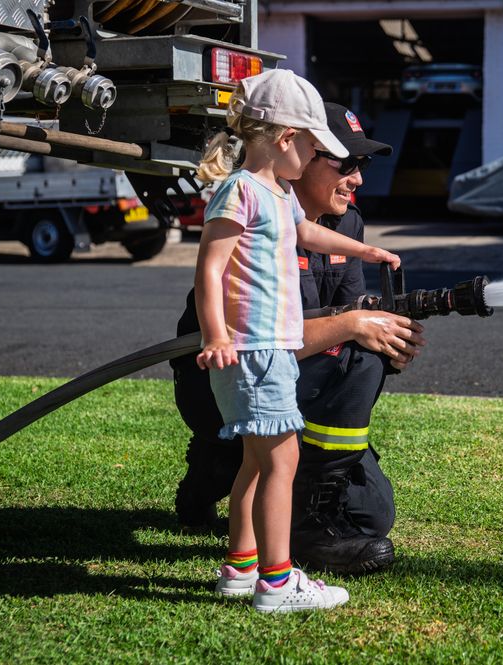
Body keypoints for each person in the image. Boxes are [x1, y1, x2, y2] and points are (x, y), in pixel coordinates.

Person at [173, 102, 425, 578]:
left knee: (373, 513)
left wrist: (388, 337)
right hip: (221, 376)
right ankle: (290, 549)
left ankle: (217, 470)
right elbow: (261, 326)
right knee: (286, 447)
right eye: (344, 163)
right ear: (299, 151)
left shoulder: (340, 221)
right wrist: (355, 327)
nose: (358, 179)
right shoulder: (248, 203)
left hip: (281, 372)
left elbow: (349, 316)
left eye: (362, 166)